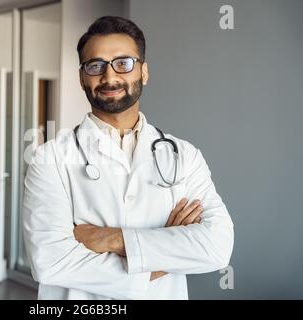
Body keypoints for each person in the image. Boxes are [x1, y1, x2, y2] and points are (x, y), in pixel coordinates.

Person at [22, 16, 234, 300]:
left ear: (144, 72)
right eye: (95, 66)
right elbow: (50, 261)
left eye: (123, 63)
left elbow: (216, 247)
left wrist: (109, 238)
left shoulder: (184, 155)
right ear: (82, 77)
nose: (109, 77)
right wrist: (168, 248)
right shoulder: (50, 158)